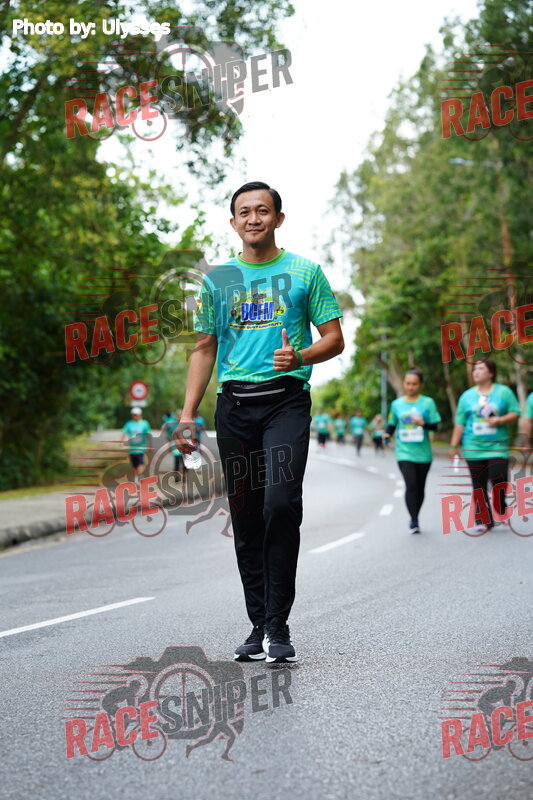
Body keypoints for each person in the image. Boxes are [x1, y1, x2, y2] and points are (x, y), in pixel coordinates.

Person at [175, 181, 344, 663]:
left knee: (280, 504)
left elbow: (334, 339)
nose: (254, 218)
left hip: (286, 402)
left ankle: (278, 624)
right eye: (245, 212)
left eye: (263, 210)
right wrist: (187, 414)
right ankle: (259, 624)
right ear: (233, 223)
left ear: (278, 218)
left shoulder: (305, 272)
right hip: (234, 407)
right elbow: (204, 348)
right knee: (246, 516)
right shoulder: (218, 281)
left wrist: (301, 356)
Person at [449, 358, 520, 534]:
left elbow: (515, 412)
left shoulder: (503, 392)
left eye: (481, 368)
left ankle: (500, 507)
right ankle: (483, 520)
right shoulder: (466, 396)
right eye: (475, 369)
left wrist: (500, 420)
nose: (476, 372)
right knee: (478, 485)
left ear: (491, 373)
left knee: (498, 479)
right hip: (473, 446)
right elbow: (460, 422)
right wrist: (453, 445)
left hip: (497, 446)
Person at [385, 369, 442, 533]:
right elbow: (392, 423)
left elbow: (435, 426)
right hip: (404, 452)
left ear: (421, 385)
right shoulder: (397, 404)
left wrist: (423, 424)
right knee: (411, 484)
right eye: (408, 383)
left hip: (423, 454)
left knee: (420, 487)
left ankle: (416, 514)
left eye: (414, 384)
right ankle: (414, 520)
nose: (410, 387)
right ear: (404, 384)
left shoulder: (428, 403)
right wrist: (387, 433)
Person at [121, 407, 152, 482]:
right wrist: (122, 442)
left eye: (136, 415)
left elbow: (148, 434)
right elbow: (124, 433)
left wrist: (150, 444)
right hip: (132, 449)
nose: (135, 416)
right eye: (134, 415)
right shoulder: (129, 424)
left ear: (140, 415)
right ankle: (137, 476)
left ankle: (139, 476)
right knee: (134, 465)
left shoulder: (144, 423)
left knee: (140, 463)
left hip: (141, 448)